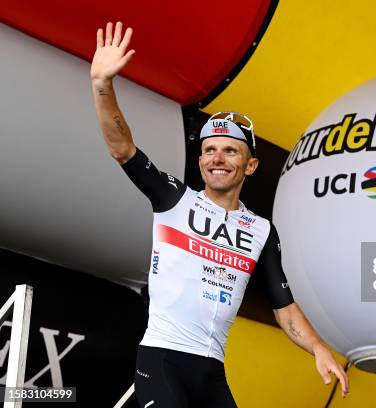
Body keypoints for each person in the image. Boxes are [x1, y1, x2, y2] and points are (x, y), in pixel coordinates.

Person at [90, 22, 349, 407]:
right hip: (163, 360)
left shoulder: (262, 231)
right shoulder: (174, 198)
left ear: (251, 166)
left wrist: (318, 348)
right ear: (200, 161)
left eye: (230, 151)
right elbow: (122, 148)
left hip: (212, 372)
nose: (217, 158)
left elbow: (285, 308)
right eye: (210, 150)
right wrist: (102, 84)